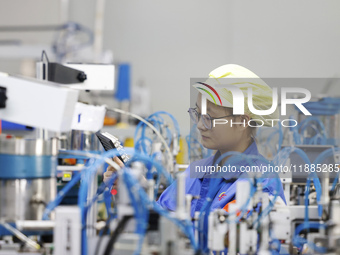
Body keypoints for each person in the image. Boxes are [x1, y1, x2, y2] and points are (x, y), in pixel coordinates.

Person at [104, 64, 286, 217]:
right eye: (198, 114)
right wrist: (133, 190)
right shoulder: (196, 172)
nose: (199, 125)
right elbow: (158, 221)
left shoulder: (262, 184)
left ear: (241, 121)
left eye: (209, 118)